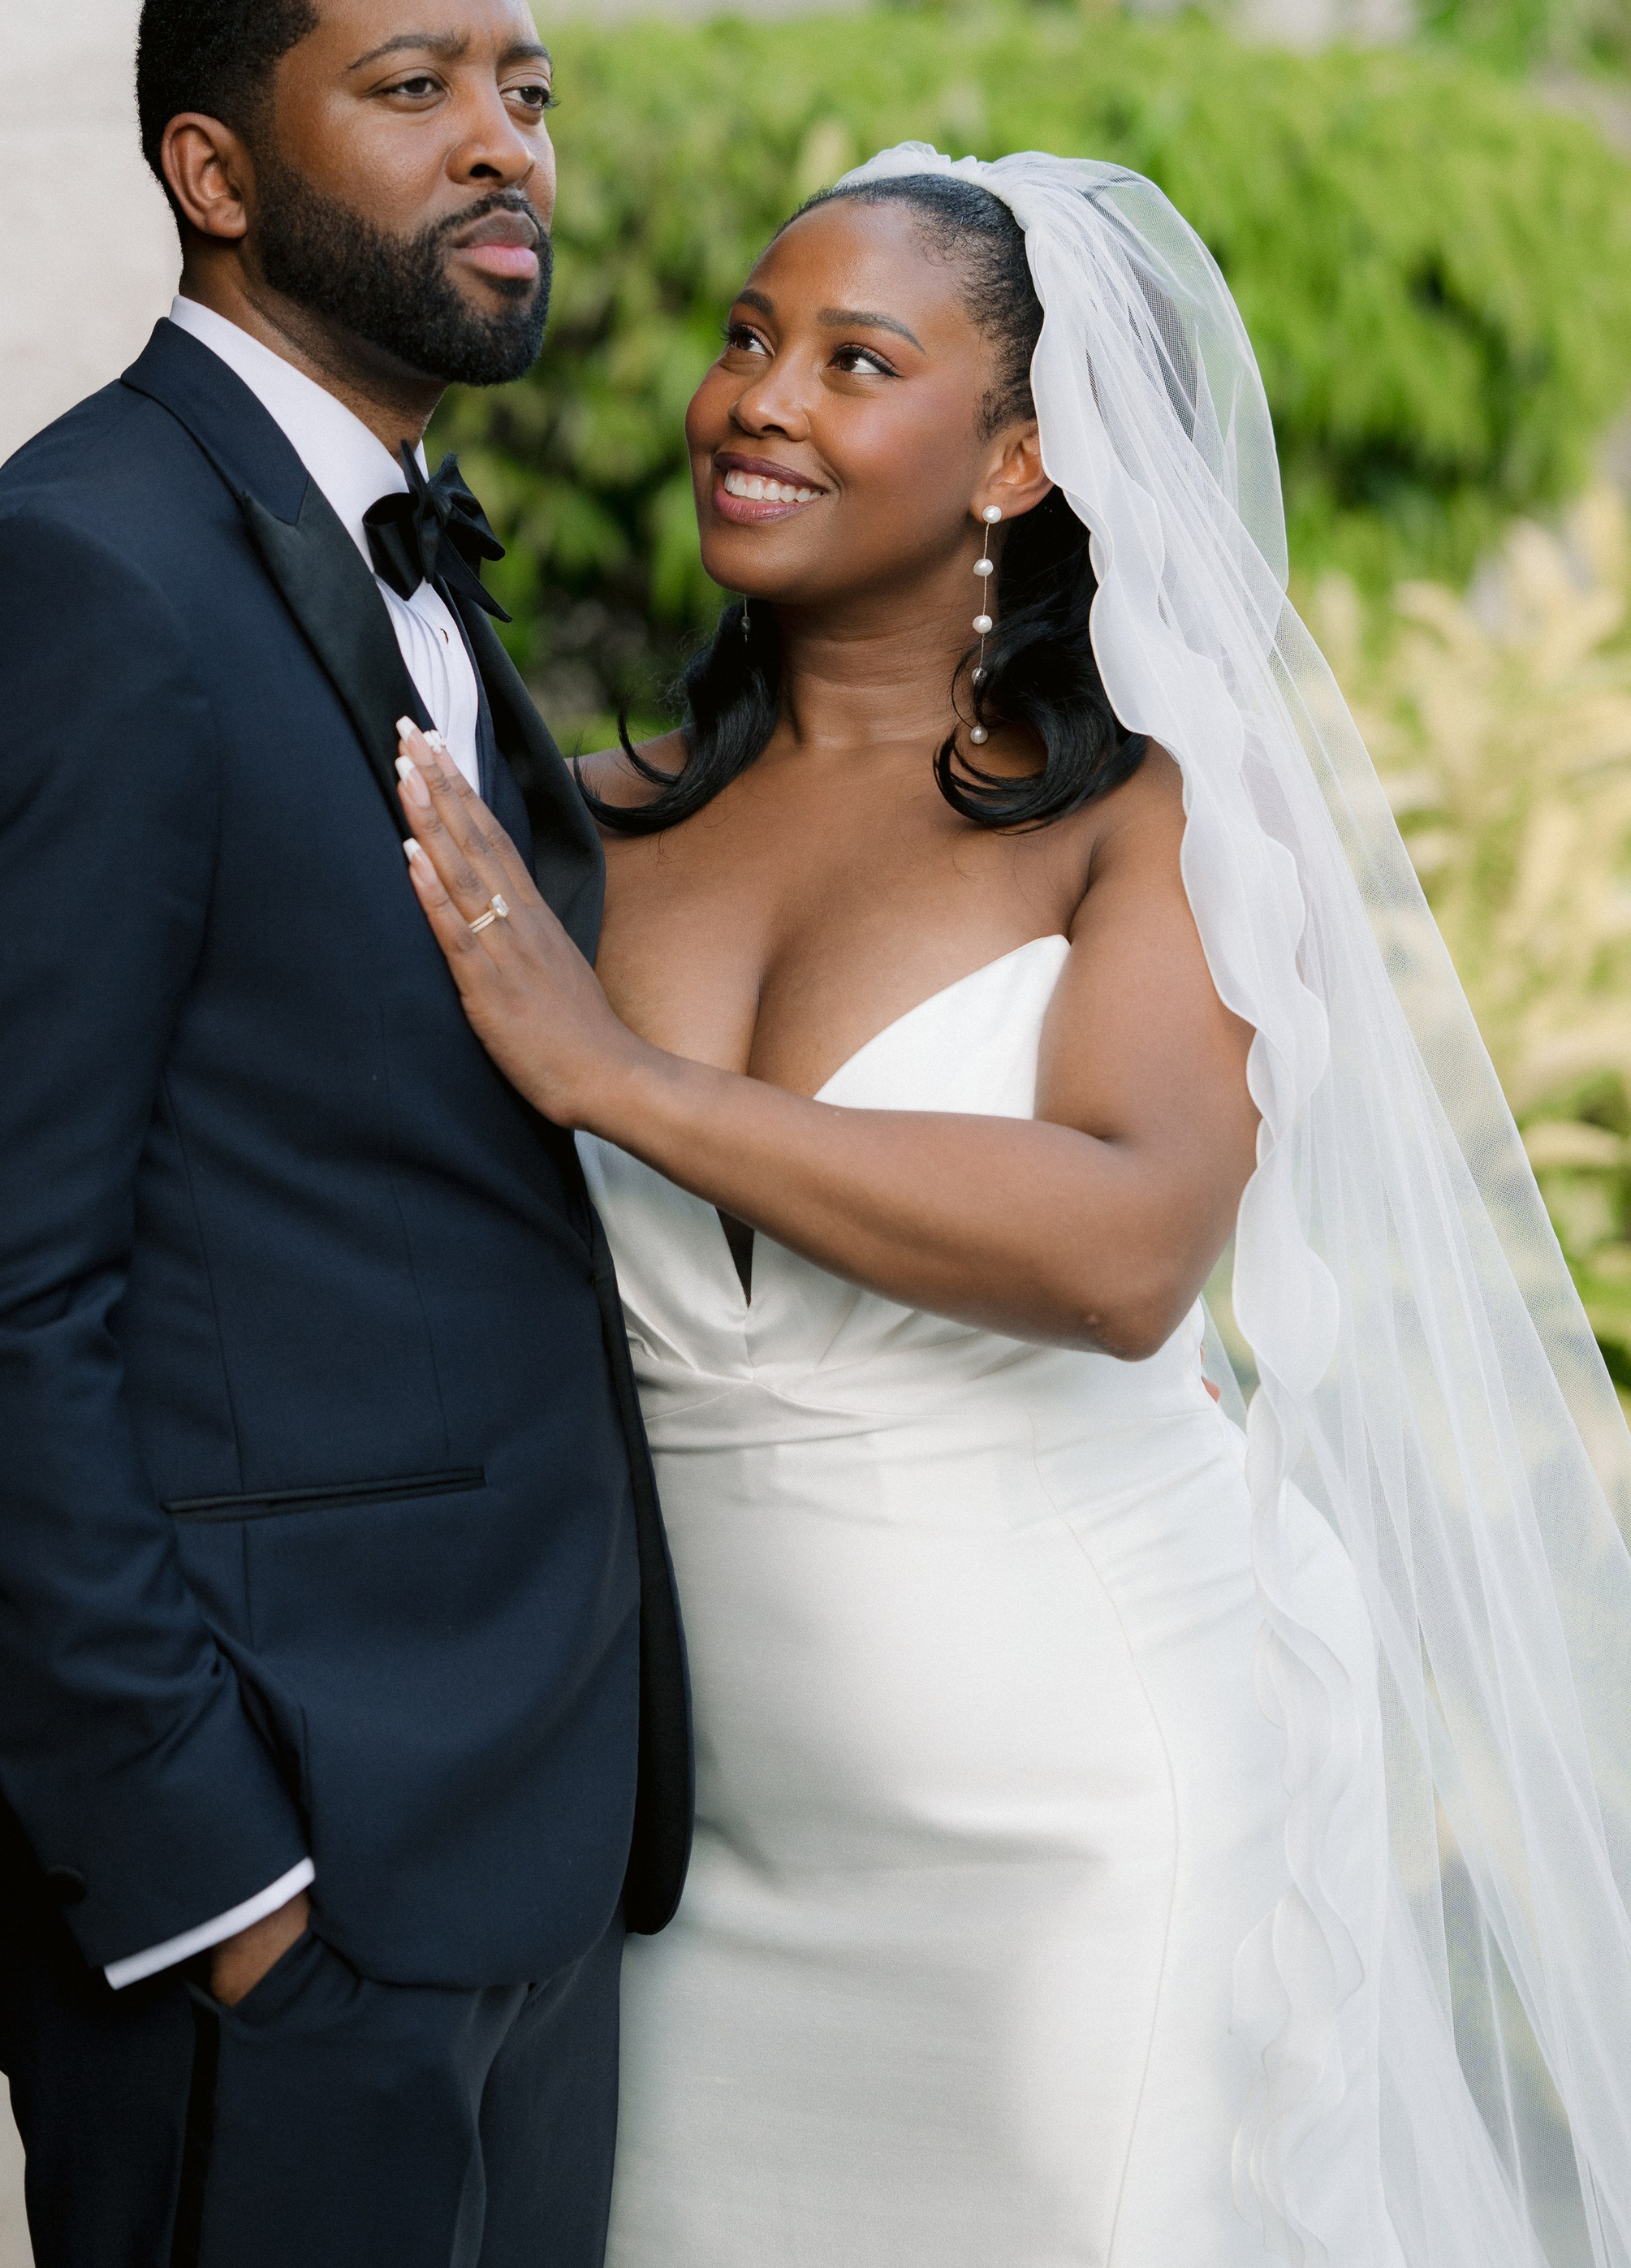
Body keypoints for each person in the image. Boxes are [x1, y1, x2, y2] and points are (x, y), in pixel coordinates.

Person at [394, 145, 1631, 2267]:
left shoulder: (1148, 818)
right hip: (692, 1855)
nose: (756, 397)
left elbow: (1129, 1244)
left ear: (1017, 463)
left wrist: (622, 1081)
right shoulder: (571, 829)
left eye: (854, 357)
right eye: (744, 337)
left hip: (1081, 1816)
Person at [0, 0, 689, 2268]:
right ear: (217, 171)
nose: (502, 142)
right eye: (411, 89)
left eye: (523, 89)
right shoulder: (81, 582)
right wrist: (213, 1858)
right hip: (282, 1857)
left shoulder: (377, 542)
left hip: (509, 1818)